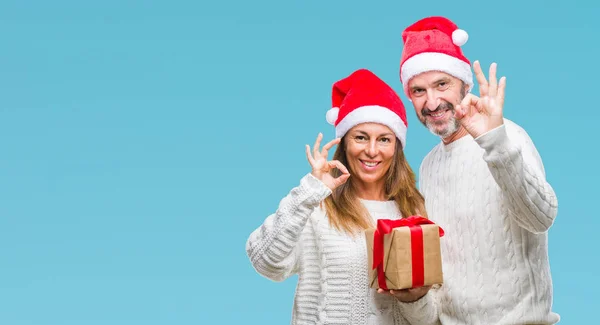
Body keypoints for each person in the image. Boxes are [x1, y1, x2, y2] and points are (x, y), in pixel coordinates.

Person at [382, 16, 560, 325]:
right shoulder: (428, 165)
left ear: (465, 84)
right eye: (418, 90)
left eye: (442, 84)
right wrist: (414, 298)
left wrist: (495, 142)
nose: (432, 102)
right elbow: (441, 276)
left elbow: (541, 217)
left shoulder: (507, 137)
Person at [246, 68, 437, 325]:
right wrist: (310, 190)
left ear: (397, 147)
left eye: (384, 139)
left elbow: (429, 319)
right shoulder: (316, 207)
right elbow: (264, 261)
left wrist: (414, 298)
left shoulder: (417, 211)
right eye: (360, 137)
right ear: (344, 143)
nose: (371, 150)